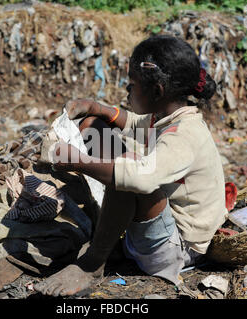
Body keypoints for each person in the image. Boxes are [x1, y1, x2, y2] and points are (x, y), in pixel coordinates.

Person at [34, 35, 228, 297]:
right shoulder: (167, 115)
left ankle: (93, 264)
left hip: (177, 249)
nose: (127, 90)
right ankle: (111, 228)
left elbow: (141, 179)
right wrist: (96, 108)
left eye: (132, 85)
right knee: (94, 126)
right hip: (160, 227)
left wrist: (76, 161)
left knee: (130, 174)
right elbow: (136, 124)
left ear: (157, 91)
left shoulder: (185, 134)